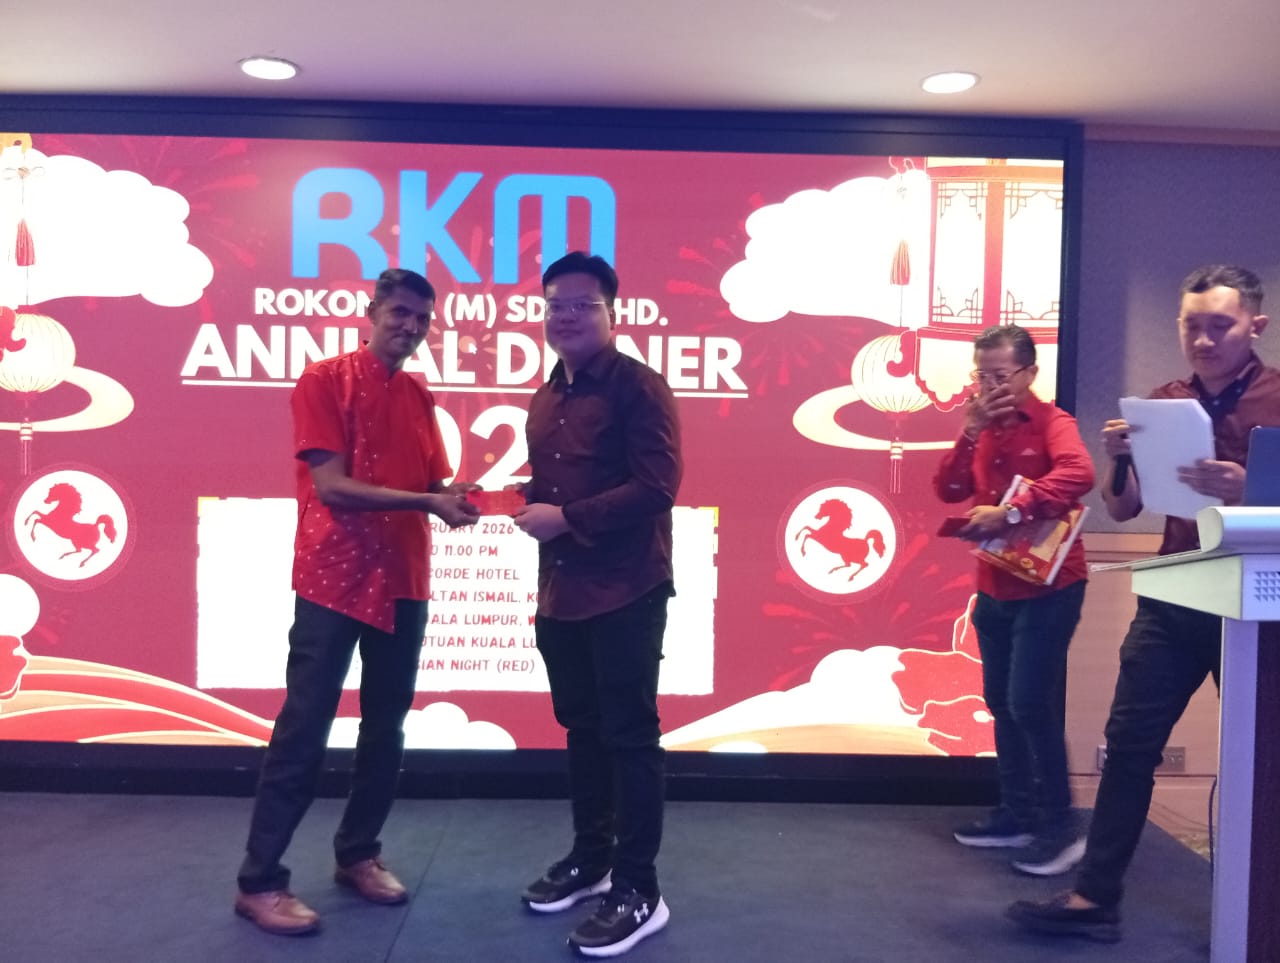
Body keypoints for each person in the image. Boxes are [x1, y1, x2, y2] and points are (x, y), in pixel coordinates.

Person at [1007, 264, 1277, 942]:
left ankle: (1261, 913)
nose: (1204, 340)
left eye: (1220, 325)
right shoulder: (1163, 402)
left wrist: (1248, 488)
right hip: (1176, 593)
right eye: (1192, 325)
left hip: (1256, 606)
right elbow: (1124, 509)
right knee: (1128, 744)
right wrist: (1119, 458)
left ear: (1255, 326)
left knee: (1267, 759)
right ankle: (1095, 898)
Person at [234, 268, 480, 936]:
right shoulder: (323, 379)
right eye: (400, 312)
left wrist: (463, 496)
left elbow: (433, 483)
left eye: (422, 318)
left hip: (403, 576)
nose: (411, 326)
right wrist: (428, 500)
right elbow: (332, 486)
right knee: (304, 726)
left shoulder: (420, 393)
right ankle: (259, 881)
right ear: (372, 311)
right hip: (333, 578)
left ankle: (359, 854)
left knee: (386, 725)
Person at [513, 251, 681, 958]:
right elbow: (557, 486)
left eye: (582, 304)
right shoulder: (547, 394)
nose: (566, 316)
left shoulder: (639, 387)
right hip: (563, 591)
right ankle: (593, 859)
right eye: (555, 304)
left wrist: (567, 517)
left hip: (625, 588)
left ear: (614, 313)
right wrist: (519, 500)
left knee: (630, 737)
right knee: (581, 729)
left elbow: (657, 487)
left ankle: (640, 888)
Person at [934, 324, 1095, 876]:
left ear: (1029, 373)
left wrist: (1012, 511)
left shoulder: (1053, 422)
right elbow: (949, 490)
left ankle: (1060, 828)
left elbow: (1080, 472)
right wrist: (968, 433)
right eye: (982, 376)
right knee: (1001, 701)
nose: (989, 387)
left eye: (1000, 376)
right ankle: (1017, 814)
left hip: (1051, 586)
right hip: (995, 582)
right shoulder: (983, 428)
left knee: (1029, 702)